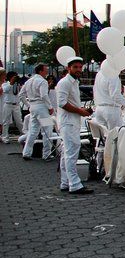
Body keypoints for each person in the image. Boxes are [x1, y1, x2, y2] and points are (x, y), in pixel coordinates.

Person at [56, 57, 94, 194]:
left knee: (67, 152)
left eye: (80, 67)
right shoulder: (65, 83)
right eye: (75, 67)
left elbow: (71, 103)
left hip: (72, 121)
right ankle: (75, 184)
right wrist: (80, 111)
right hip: (68, 122)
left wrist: (82, 110)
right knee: (72, 152)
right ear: (68, 68)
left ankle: (65, 182)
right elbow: (62, 103)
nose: (78, 69)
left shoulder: (74, 82)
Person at [20, 64, 54, 161]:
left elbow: (21, 95)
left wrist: (28, 105)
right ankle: (46, 154)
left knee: (33, 131)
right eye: (45, 70)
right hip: (42, 108)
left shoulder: (28, 81)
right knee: (47, 130)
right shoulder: (43, 81)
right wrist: (50, 107)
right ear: (40, 71)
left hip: (33, 107)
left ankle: (26, 152)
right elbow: (44, 95)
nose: (47, 71)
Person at [1, 71, 23, 143]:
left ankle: (23, 135)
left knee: (19, 121)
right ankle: (5, 137)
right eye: (14, 77)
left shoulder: (18, 85)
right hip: (8, 104)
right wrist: (11, 83)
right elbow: (5, 90)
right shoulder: (5, 84)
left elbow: (20, 93)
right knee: (5, 121)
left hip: (16, 105)